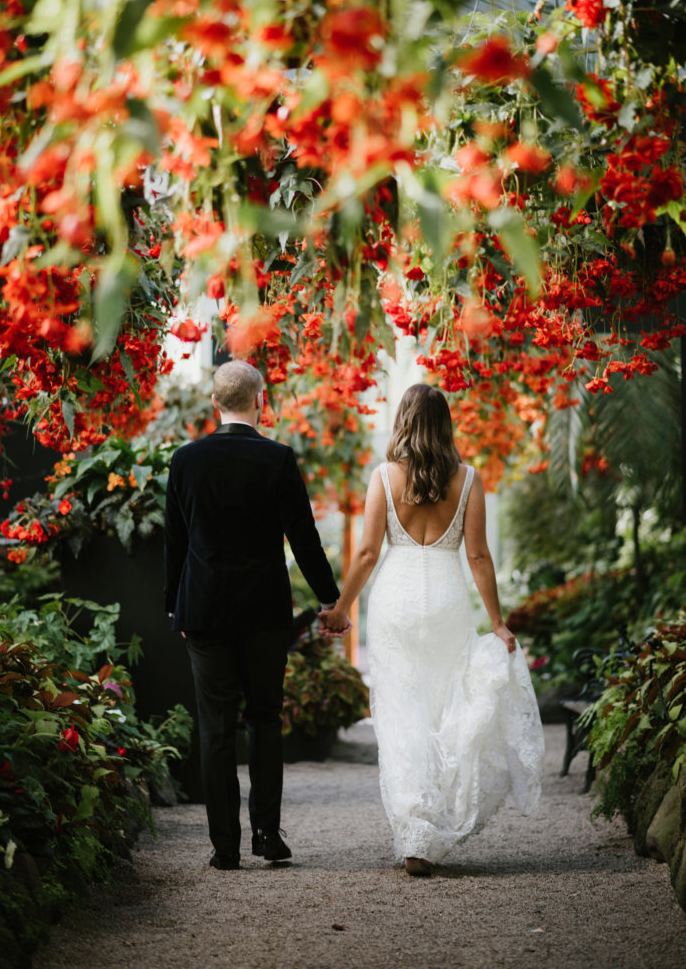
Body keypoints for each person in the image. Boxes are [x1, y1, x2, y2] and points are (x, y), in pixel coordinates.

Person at [319, 383, 544, 876]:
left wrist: (340, 609)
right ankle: (436, 821)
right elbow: (479, 556)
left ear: (403, 420)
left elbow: (367, 553)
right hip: (446, 603)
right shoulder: (468, 480)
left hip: (396, 604)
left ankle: (415, 830)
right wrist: (497, 623)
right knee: (447, 708)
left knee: (403, 716)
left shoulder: (384, 476)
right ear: (445, 426)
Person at [164, 360, 342, 871]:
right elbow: (303, 537)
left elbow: (173, 543)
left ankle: (224, 847)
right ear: (260, 400)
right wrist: (329, 599)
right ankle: (267, 834)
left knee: (215, 726)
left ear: (214, 403)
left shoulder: (186, 460)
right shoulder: (278, 459)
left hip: (202, 610)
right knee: (265, 719)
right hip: (265, 610)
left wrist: (173, 604)